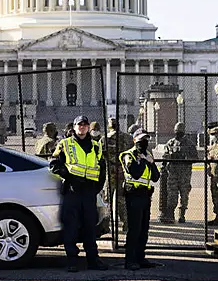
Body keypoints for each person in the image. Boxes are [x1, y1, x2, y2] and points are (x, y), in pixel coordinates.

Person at [50, 115, 109, 272]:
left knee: (90, 227)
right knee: (71, 227)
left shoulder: (96, 146)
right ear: (74, 127)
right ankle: (72, 261)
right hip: (72, 191)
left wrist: (97, 187)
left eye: (85, 125)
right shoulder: (65, 144)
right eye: (79, 125)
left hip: (89, 192)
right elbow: (54, 165)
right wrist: (68, 177)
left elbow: (101, 168)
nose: (82, 127)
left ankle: (93, 260)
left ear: (88, 127)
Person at [119, 131, 161, 270]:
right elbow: (135, 173)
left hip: (145, 197)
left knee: (143, 230)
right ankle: (130, 260)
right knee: (134, 229)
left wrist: (151, 162)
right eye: (142, 140)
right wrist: (143, 160)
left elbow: (155, 177)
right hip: (133, 196)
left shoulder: (148, 156)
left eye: (146, 140)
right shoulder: (128, 155)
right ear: (135, 140)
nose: (144, 143)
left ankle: (140, 258)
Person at [163, 122, 194, 223]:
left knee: (184, 195)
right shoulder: (170, 143)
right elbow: (164, 156)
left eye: (179, 132)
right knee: (172, 194)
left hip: (185, 174)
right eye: (176, 132)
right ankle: (170, 215)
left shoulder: (189, 144)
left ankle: (182, 215)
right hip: (173, 173)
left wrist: (184, 157)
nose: (178, 134)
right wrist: (170, 156)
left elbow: (195, 157)